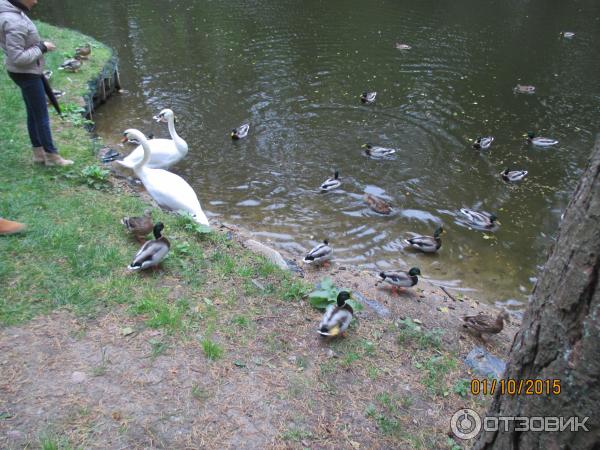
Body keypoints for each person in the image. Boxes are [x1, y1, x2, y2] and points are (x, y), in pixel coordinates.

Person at [0, 0, 73, 166]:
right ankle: (52, 157)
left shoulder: (14, 11)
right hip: (27, 73)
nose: (36, 1)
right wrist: (42, 47)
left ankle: (39, 154)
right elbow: (17, 58)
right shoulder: (13, 21)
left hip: (25, 72)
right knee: (41, 116)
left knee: (33, 113)